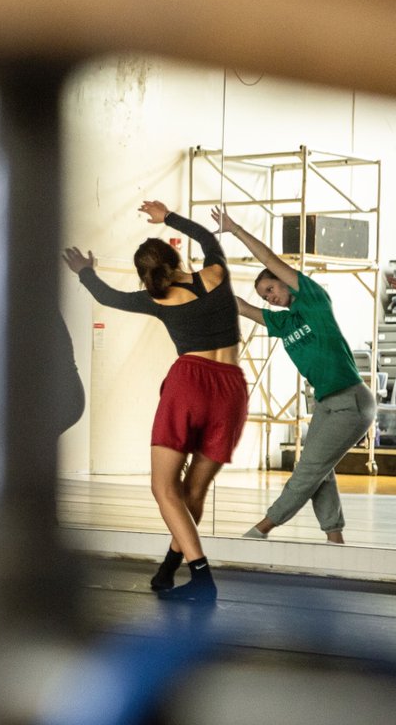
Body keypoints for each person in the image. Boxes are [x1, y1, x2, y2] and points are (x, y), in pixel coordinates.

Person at [63, 201, 247, 603]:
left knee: (164, 488)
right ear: (176, 255)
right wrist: (169, 219)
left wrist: (84, 271)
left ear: (145, 274)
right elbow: (210, 238)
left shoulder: (155, 300)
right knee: (193, 490)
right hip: (232, 388)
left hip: (190, 384)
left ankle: (200, 577)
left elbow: (107, 297)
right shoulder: (216, 274)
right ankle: (167, 571)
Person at [214, 206, 375, 545]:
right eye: (265, 297)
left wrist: (235, 229)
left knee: (307, 471)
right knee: (321, 470)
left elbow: (271, 259)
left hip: (352, 401)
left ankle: (261, 529)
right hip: (326, 404)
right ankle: (334, 538)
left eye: (271, 290)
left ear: (285, 282)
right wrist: (203, 288)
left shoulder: (314, 301)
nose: (270, 299)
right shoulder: (283, 322)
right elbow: (240, 306)